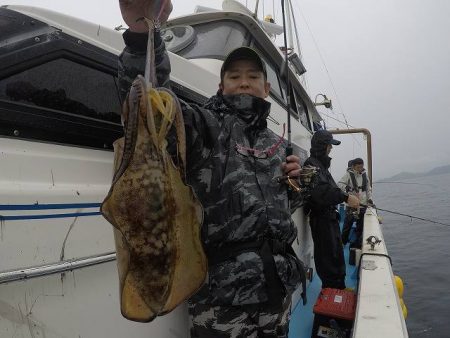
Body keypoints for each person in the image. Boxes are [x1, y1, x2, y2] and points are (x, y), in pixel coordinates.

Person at [118, 1, 306, 336]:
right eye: (234, 76)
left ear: (267, 89)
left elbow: (287, 205)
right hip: (222, 300)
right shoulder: (205, 125)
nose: (244, 82)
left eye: (252, 76)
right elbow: (151, 101)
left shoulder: (278, 145)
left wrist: (300, 180)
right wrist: (142, 34)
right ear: (221, 87)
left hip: (278, 291)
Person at [303, 130, 359, 289]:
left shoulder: (320, 165)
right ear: (322, 146)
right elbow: (321, 191)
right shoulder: (310, 164)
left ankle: (338, 288)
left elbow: (330, 188)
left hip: (329, 219)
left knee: (336, 255)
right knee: (329, 259)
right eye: (329, 145)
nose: (331, 148)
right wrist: (346, 198)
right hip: (321, 220)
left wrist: (345, 195)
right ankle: (332, 293)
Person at [338, 157, 374, 248]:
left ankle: (358, 244)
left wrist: (370, 199)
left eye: (361, 167)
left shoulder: (365, 176)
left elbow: (368, 189)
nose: (360, 169)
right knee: (347, 225)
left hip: (362, 205)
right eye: (358, 167)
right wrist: (347, 188)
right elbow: (340, 184)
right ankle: (343, 242)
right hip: (352, 205)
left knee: (360, 226)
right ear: (353, 166)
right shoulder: (348, 175)